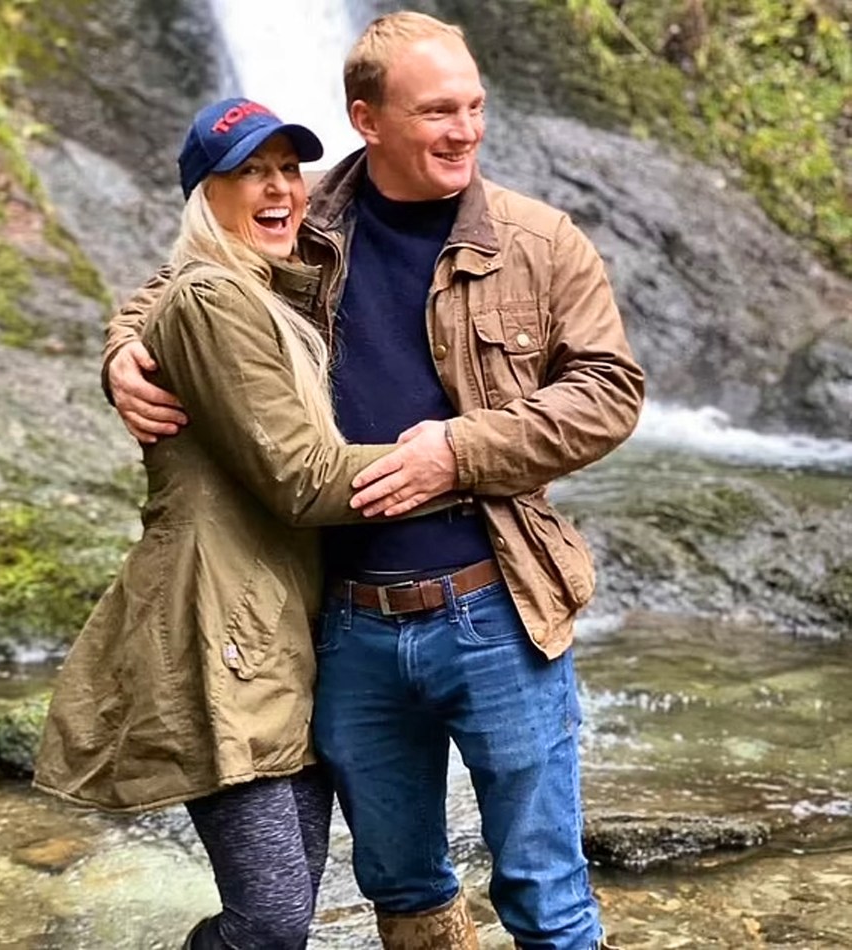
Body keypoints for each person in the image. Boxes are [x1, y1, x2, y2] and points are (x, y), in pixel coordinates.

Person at [105, 12, 644, 950]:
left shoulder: (540, 240)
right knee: (402, 887)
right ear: (368, 119)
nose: (464, 130)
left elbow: (608, 393)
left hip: (499, 612)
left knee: (547, 897)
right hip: (349, 626)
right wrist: (118, 356)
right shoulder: (301, 219)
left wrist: (459, 451)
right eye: (437, 111)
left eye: (474, 107)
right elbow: (179, 285)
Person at [33, 97, 451, 950]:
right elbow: (299, 478)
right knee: (266, 923)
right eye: (248, 172)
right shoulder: (214, 302)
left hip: (284, 637)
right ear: (204, 196)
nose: (278, 188)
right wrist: (463, 464)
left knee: (283, 919)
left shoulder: (276, 291)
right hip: (219, 636)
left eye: (288, 170)